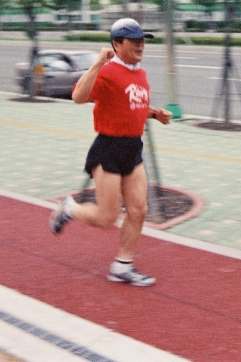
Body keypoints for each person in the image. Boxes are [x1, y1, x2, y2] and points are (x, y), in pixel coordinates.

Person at [49, 18, 172, 287]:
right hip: (108, 148)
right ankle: (69, 208)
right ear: (117, 44)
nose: (141, 45)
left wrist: (155, 114)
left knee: (139, 210)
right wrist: (97, 63)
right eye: (134, 40)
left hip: (132, 148)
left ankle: (122, 266)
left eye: (143, 40)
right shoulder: (107, 71)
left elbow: (133, 104)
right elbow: (78, 98)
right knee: (107, 218)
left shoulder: (140, 72)